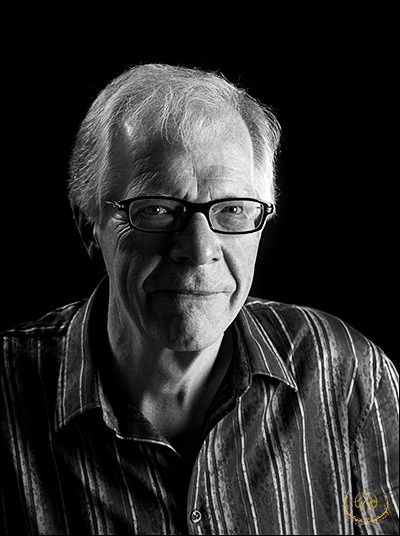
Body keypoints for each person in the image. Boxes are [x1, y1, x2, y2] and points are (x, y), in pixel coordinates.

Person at [1, 63, 398, 536]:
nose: (198, 249)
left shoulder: (348, 376)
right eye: (157, 209)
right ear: (90, 227)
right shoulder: (6, 392)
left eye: (232, 210)